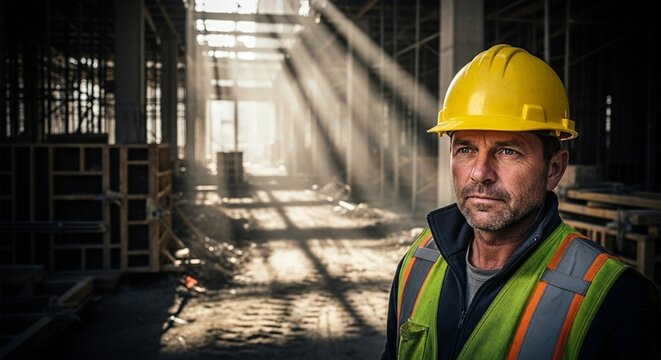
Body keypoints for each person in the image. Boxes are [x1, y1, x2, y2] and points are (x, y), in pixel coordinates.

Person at [382, 44, 659, 359]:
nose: (480, 173)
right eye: (466, 149)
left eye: (507, 151)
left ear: (554, 169)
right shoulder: (419, 261)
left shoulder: (615, 298)